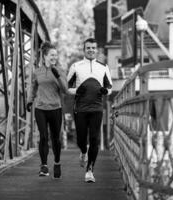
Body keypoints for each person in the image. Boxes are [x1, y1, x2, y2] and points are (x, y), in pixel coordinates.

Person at [67, 38, 112, 183]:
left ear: (96, 50)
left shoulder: (104, 67)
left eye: (93, 48)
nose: (91, 50)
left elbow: (109, 87)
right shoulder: (76, 66)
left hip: (97, 108)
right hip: (80, 108)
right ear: (84, 50)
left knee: (94, 139)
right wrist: (77, 90)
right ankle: (83, 152)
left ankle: (89, 170)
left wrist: (105, 91)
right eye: (88, 48)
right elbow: (67, 88)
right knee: (81, 139)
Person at [27, 41, 67, 178]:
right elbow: (33, 87)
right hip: (40, 108)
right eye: (51, 55)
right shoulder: (37, 72)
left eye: (56, 55)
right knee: (43, 136)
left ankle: (56, 162)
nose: (54, 57)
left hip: (55, 108)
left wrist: (57, 76)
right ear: (44, 56)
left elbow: (65, 90)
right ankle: (44, 166)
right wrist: (29, 100)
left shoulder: (60, 70)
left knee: (56, 139)